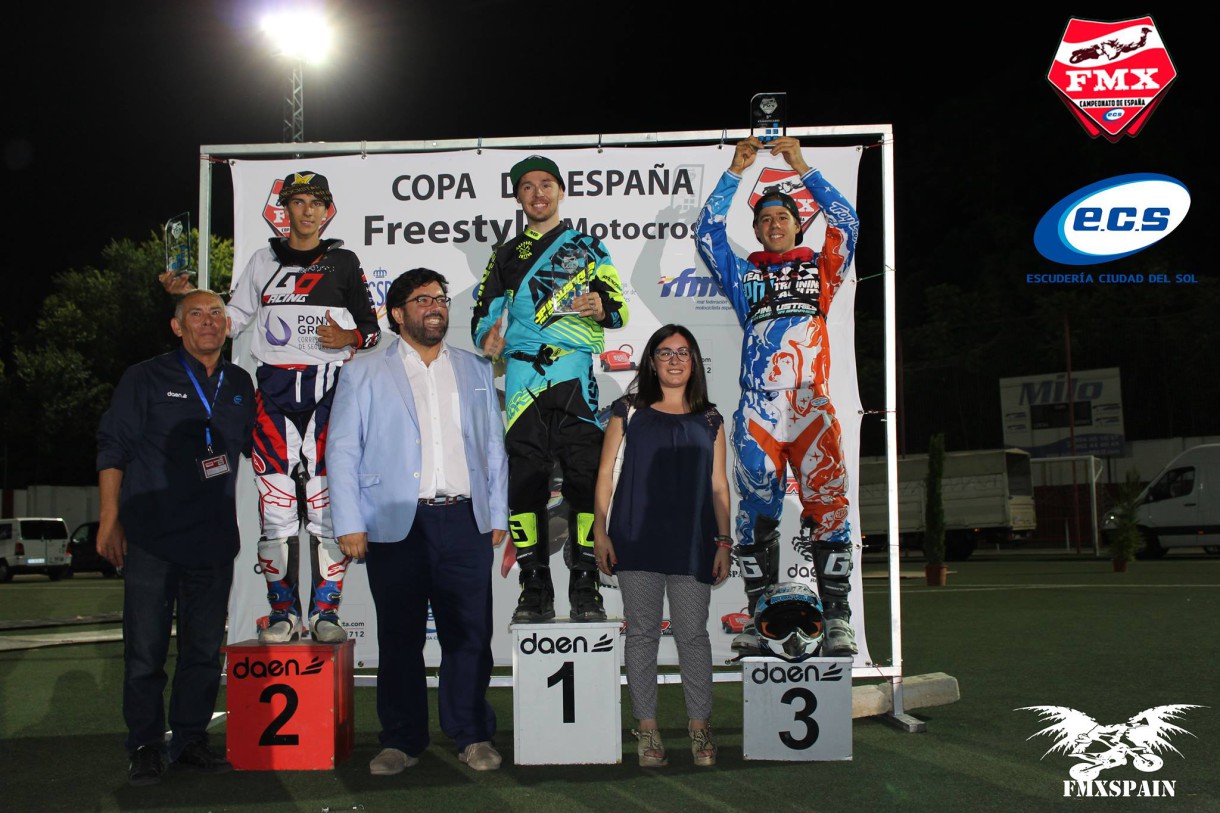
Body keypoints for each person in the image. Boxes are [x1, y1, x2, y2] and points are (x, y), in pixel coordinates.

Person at [161, 170, 381, 644]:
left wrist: (349, 337)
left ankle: (326, 612)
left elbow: (373, 329)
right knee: (277, 510)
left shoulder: (343, 261)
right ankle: (282, 612)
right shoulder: (263, 260)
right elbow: (232, 319)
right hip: (273, 396)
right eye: (296, 202)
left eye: (314, 202)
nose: (305, 210)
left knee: (325, 508)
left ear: (327, 211)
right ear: (285, 209)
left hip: (328, 396)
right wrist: (188, 301)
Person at [328, 268, 509, 775]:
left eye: (441, 298)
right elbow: (342, 450)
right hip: (393, 525)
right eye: (422, 299)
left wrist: (497, 513)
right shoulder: (362, 371)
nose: (436, 306)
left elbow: (493, 448)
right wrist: (349, 521)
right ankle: (402, 741)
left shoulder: (475, 369)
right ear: (397, 314)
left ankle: (473, 735)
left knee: (469, 637)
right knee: (400, 638)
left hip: (464, 523)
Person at [693, 136, 861, 657]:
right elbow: (707, 235)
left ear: (797, 222)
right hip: (760, 410)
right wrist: (734, 171)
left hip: (811, 405)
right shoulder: (745, 276)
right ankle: (759, 612)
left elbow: (848, 223)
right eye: (763, 220)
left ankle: (837, 618)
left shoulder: (823, 268)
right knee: (756, 511)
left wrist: (802, 166)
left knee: (830, 507)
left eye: (781, 217)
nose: (772, 224)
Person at [97, 289, 256, 786]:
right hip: (151, 536)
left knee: (203, 651)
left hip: (212, 541)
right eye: (195, 315)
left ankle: (188, 739)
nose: (207, 323)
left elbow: (258, 446)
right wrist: (109, 518)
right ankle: (145, 744)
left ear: (228, 325)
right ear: (177, 327)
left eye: (216, 314)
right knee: (145, 651)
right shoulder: (144, 377)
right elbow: (113, 447)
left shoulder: (239, 382)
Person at [472, 154, 629, 623]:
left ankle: (585, 581)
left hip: (575, 378)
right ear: (518, 196)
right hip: (522, 379)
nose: (538, 193)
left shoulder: (589, 247)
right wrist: (489, 338)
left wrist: (600, 305)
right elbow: (483, 318)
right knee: (525, 486)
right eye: (527, 186)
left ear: (560, 191)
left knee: (583, 483)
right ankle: (533, 584)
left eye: (546, 184)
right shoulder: (504, 255)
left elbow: (618, 309)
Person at [593, 324, 732, 767]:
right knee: (642, 636)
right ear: (651, 361)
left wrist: (724, 540)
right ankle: (647, 731)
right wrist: (600, 530)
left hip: (694, 543)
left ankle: (699, 728)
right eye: (665, 352)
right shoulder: (628, 410)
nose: (674, 360)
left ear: (694, 362)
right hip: (635, 538)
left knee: (693, 636)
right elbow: (604, 476)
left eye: (683, 352)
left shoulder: (711, 418)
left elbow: (719, 488)